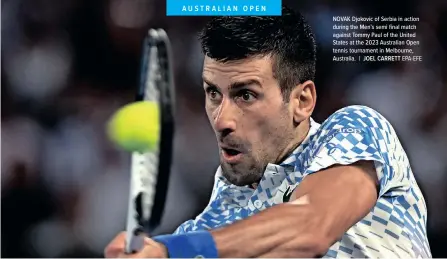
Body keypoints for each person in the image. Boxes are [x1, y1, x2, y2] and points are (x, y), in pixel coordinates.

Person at [105, 6, 432, 258]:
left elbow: (310, 226)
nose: (222, 120)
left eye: (245, 94)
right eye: (213, 93)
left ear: (302, 101)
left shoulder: (356, 130)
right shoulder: (211, 224)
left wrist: (168, 250)